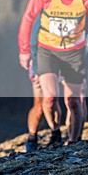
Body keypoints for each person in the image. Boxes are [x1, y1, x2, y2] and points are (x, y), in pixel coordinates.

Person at [18, 0, 88, 146]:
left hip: (75, 52)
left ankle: (74, 143)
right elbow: (28, 18)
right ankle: (55, 131)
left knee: (74, 101)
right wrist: (24, 51)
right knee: (49, 98)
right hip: (47, 50)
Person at [25, 15, 63, 153]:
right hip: (40, 60)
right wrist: (35, 66)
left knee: (51, 100)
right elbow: (32, 39)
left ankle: (56, 133)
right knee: (40, 105)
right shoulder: (43, 13)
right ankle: (32, 138)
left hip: (60, 60)